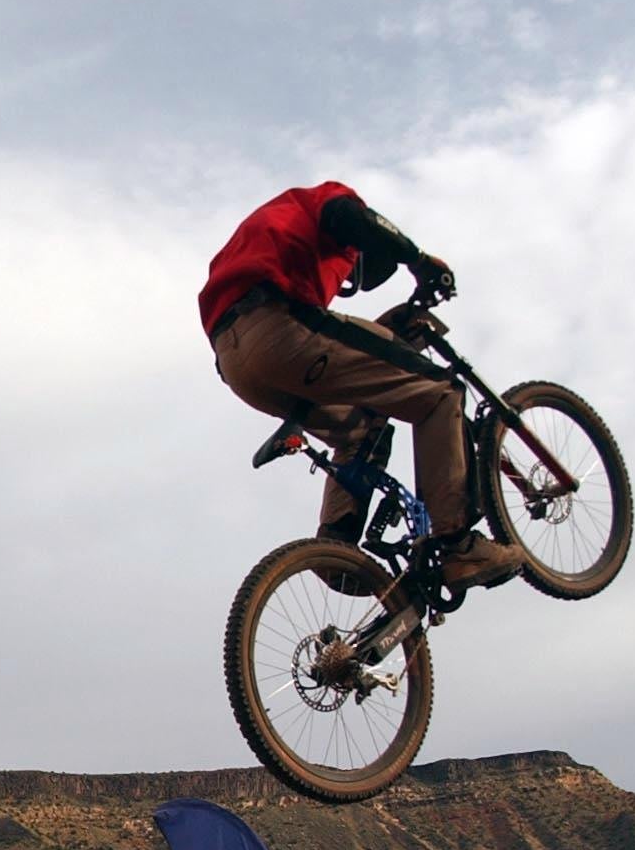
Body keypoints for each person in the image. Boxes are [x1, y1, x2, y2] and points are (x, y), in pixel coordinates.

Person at [200, 182, 524, 592]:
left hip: (238, 365)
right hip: (279, 327)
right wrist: (419, 260)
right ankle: (458, 547)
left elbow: (344, 351)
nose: (346, 282)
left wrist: (386, 334)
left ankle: (335, 552)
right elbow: (351, 218)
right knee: (440, 393)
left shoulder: (267, 233)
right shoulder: (323, 202)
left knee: (358, 429)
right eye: (351, 275)